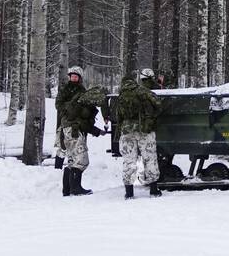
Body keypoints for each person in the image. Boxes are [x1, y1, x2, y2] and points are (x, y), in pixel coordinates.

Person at [57, 66, 105, 196]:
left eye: (76, 76)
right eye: (72, 76)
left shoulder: (83, 91)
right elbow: (60, 107)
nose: (73, 78)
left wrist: (95, 131)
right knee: (82, 160)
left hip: (73, 129)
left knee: (72, 159)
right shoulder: (66, 90)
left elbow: (83, 119)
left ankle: (67, 189)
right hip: (72, 129)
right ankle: (75, 188)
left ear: (79, 78)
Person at [116, 67, 163, 199]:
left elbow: (117, 116)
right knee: (150, 159)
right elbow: (158, 104)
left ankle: (129, 192)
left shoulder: (121, 95)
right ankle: (154, 190)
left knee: (129, 161)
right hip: (144, 130)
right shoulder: (142, 91)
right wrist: (152, 118)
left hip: (127, 131)